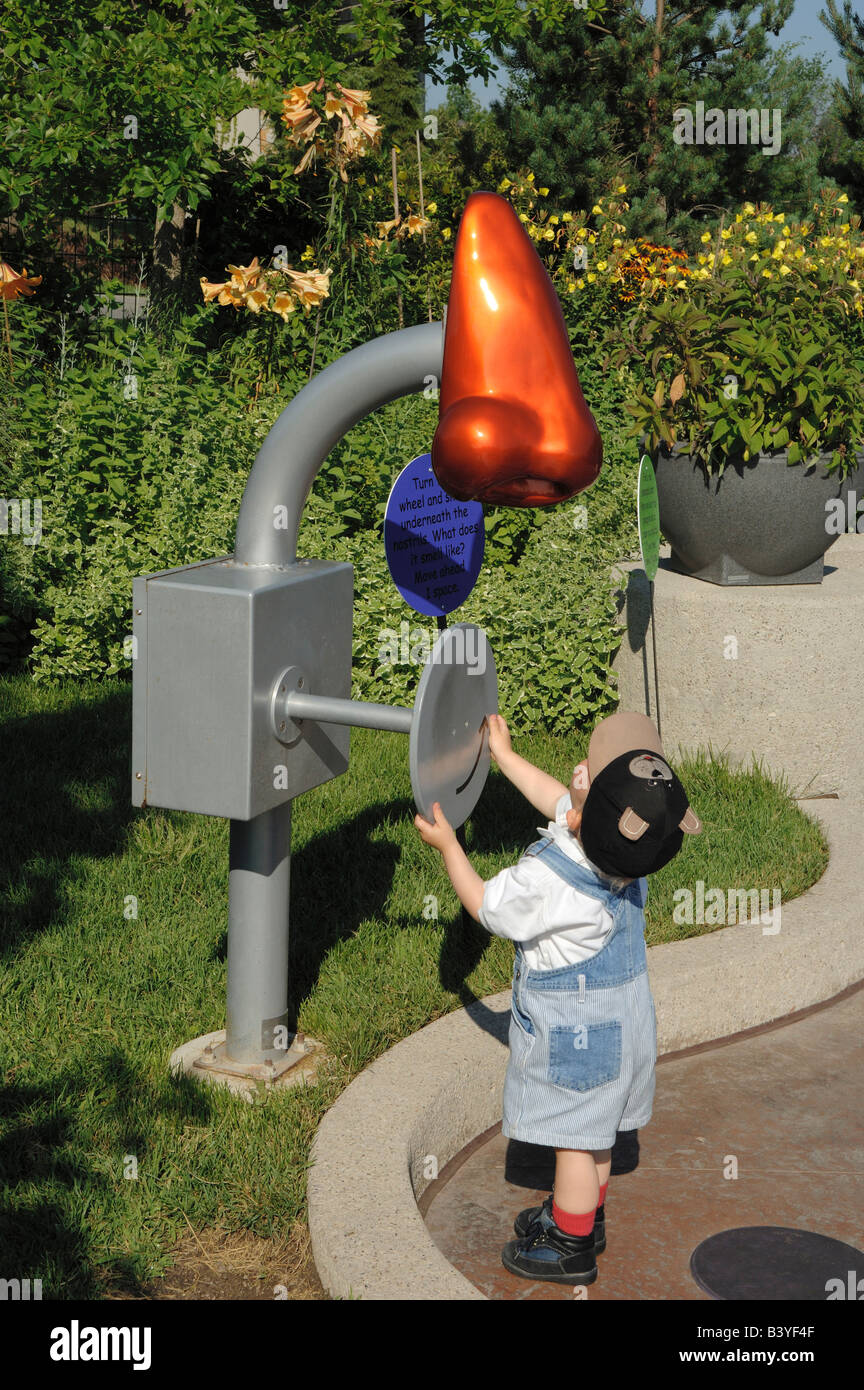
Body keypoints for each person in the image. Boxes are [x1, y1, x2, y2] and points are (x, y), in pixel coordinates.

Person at [414, 709, 702, 1286]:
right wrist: (506, 756)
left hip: (578, 1037)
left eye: (586, 772)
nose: (574, 770)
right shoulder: (627, 849)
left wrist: (449, 846)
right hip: (626, 1022)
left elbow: (485, 905)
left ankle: (569, 1246)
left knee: (574, 1142)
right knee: (598, 1136)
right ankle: (583, 1217)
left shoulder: (549, 881)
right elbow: (558, 800)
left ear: (585, 809)